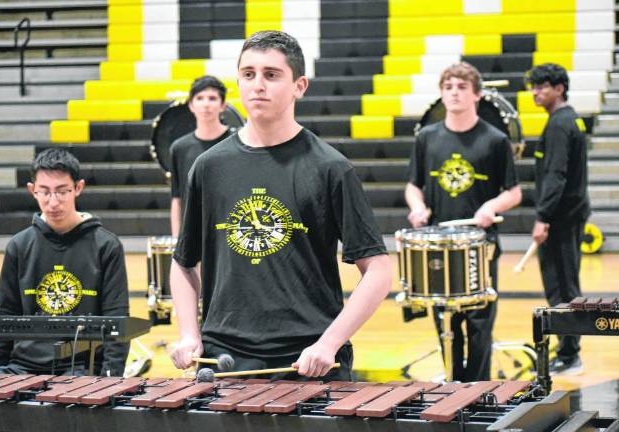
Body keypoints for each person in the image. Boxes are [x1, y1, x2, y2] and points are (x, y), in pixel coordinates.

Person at [169, 30, 392, 381]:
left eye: (271, 75)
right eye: (248, 74)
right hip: (224, 359)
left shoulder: (330, 168)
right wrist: (188, 333)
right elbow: (183, 264)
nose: (258, 84)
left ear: (299, 86)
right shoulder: (208, 167)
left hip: (308, 359)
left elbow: (378, 270)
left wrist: (329, 343)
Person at [405, 62, 522, 382]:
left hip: (479, 245)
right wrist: (417, 208)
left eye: (461, 88)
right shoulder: (427, 137)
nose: (454, 93)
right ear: (441, 94)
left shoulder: (495, 140)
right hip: (440, 243)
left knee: (480, 324)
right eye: (448, 88)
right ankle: (453, 384)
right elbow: (413, 186)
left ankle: (478, 388)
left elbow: (513, 193)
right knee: (446, 321)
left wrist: (491, 205)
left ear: (477, 95)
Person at [0, 148, 130, 376]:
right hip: (23, 366)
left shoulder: (106, 246)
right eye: (45, 192)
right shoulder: (19, 246)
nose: (53, 202)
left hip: (82, 368)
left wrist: (108, 380)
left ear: (78, 188)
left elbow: (118, 321)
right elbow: (4, 317)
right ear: (32, 191)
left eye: (62, 192)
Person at [527, 63, 590, 376]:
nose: (535, 92)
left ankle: (569, 355)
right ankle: (568, 349)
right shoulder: (569, 119)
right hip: (569, 216)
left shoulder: (559, 125)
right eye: (533, 87)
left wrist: (543, 217)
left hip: (561, 220)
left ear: (559, 88)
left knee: (561, 289)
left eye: (542, 87)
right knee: (566, 286)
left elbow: (556, 175)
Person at [170, 75, 233, 237]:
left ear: (223, 105)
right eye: (199, 98)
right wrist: (178, 241)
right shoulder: (179, 148)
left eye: (212, 98)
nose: (206, 104)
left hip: (230, 230)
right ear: (191, 105)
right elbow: (177, 199)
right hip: (193, 233)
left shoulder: (238, 142)